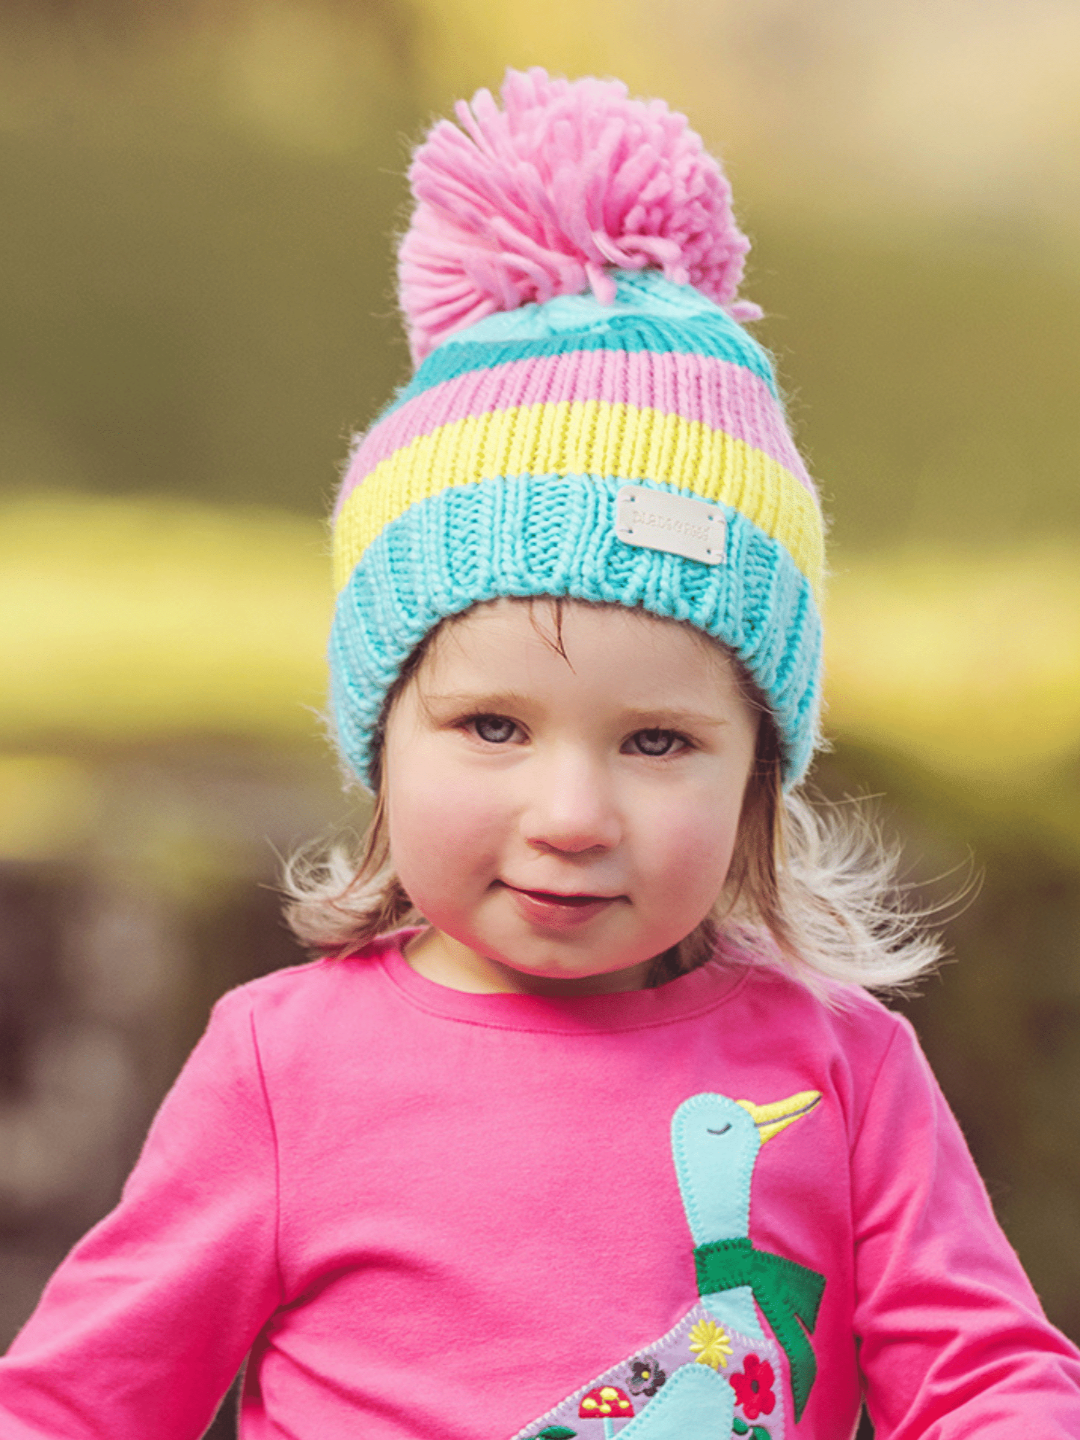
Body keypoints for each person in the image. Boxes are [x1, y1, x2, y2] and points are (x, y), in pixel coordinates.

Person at [2, 66, 1078, 1440]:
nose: (572, 811)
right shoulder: (286, 1067)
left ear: (760, 771)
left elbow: (989, 1379)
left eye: (658, 741)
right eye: (493, 727)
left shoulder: (842, 1074)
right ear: (378, 735)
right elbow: (80, 1405)